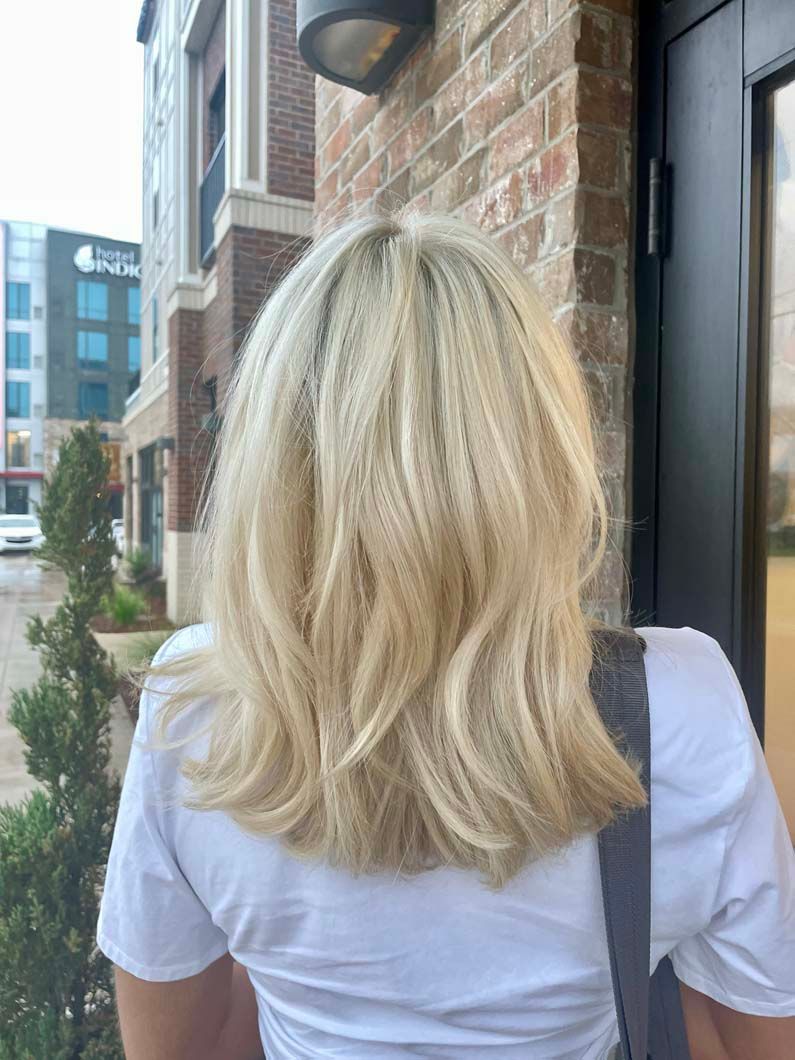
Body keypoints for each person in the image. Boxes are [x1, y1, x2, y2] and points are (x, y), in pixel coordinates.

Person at [97, 211, 795, 1059]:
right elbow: (745, 1034)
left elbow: (185, 1044)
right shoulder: (685, 704)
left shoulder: (196, 706)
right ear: (542, 453)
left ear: (272, 465)